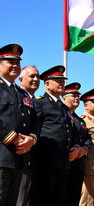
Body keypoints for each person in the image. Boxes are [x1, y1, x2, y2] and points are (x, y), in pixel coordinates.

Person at [29, 65, 79, 206]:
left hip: (64, 162)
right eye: (58, 80)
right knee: (42, 199)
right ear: (47, 84)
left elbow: (71, 131)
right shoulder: (39, 103)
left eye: (62, 81)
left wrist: (75, 146)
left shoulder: (64, 108)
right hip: (45, 161)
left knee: (59, 200)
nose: (61, 83)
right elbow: (33, 128)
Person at [0, 44, 38, 206]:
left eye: (17, 62)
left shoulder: (22, 93)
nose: (15, 65)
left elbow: (35, 120)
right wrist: (13, 138)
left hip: (19, 160)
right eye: (10, 61)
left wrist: (32, 139)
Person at [62, 82, 92, 206]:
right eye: (73, 95)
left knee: (74, 199)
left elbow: (88, 139)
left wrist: (83, 149)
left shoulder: (80, 120)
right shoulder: (60, 114)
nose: (76, 98)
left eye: (77, 96)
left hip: (78, 165)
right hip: (64, 163)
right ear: (63, 98)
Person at [16, 66, 40, 206]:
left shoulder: (32, 100)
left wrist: (33, 139)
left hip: (31, 159)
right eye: (32, 76)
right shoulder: (15, 94)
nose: (36, 79)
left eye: (37, 76)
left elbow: (36, 126)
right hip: (15, 154)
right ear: (21, 79)